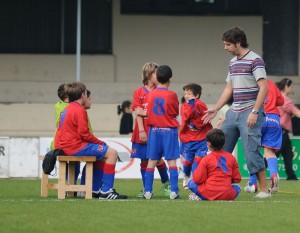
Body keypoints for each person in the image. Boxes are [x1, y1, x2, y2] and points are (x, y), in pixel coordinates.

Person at [202, 26, 270, 198]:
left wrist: (255, 111)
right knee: (219, 147)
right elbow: (229, 88)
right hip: (234, 111)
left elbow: (264, 88)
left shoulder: (255, 60)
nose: (225, 48)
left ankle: (264, 190)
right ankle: (216, 185)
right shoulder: (233, 62)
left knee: (251, 150)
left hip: (250, 111)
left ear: (238, 43)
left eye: (227, 44)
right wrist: (216, 109)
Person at [54, 81, 127, 199]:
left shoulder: (68, 109)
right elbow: (85, 135)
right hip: (74, 147)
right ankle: (106, 191)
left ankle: (94, 189)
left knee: (102, 156)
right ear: (83, 95)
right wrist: (102, 143)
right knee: (112, 153)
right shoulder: (79, 110)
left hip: (67, 146)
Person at [131, 62, 171, 198]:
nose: (158, 75)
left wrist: (145, 112)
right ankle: (146, 188)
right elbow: (138, 112)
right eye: (155, 73)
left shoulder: (161, 91)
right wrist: (141, 131)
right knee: (143, 160)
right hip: (142, 131)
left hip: (157, 129)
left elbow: (157, 111)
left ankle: (167, 184)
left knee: (158, 159)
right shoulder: (139, 92)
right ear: (148, 75)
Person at [143, 65, 180, 200]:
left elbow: (149, 111)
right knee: (171, 162)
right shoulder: (172, 95)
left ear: (157, 78)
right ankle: (174, 191)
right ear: (170, 79)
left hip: (154, 131)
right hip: (169, 131)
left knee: (151, 161)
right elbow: (175, 112)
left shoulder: (151, 93)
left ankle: (147, 191)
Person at [245, 80, 284, 193]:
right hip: (274, 119)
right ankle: (273, 174)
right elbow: (281, 101)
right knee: (269, 150)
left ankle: (252, 183)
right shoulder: (271, 83)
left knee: (252, 150)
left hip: (257, 116)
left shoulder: (249, 83)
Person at [188, 128, 242, 201]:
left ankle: (201, 197)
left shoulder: (206, 159)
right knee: (237, 187)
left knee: (190, 183)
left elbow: (198, 180)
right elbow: (237, 178)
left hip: (208, 192)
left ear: (209, 144)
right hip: (226, 194)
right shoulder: (231, 157)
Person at [179, 83, 213, 189]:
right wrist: (191, 104)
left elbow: (206, 118)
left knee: (199, 160)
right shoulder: (184, 106)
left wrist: (197, 123)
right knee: (188, 162)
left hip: (202, 138)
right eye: (185, 93)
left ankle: (197, 181)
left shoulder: (201, 105)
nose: (186, 96)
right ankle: (186, 177)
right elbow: (186, 116)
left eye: (189, 94)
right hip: (189, 139)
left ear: (197, 95)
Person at [275, 78, 300, 180]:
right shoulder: (285, 100)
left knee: (288, 153)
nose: (292, 89)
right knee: (274, 154)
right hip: (281, 131)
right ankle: (259, 171)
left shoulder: (277, 97)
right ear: (287, 86)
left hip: (279, 130)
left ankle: (291, 176)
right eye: (291, 86)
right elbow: (297, 113)